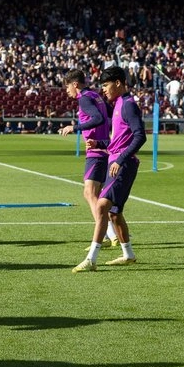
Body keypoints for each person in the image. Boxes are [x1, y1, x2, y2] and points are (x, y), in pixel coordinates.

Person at [76, 65, 144, 269]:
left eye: (106, 85)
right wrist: (100, 144)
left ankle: (91, 259)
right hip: (116, 162)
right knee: (114, 212)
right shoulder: (119, 105)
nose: (103, 90)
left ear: (118, 83)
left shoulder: (128, 105)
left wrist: (120, 159)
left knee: (102, 206)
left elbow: (140, 136)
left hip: (122, 165)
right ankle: (128, 254)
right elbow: (119, 140)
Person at [60, 69, 114, 272]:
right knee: (95, 194)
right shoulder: (96, 95)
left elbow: (98, 119)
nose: (67, 91)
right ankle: (110, 234)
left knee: (90, 193)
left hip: (96, 152)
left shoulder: (84, 98)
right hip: (102, 147)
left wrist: (75, 127)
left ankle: (108, 235)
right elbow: (108, 116)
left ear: (75, 84)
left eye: (67, 86)